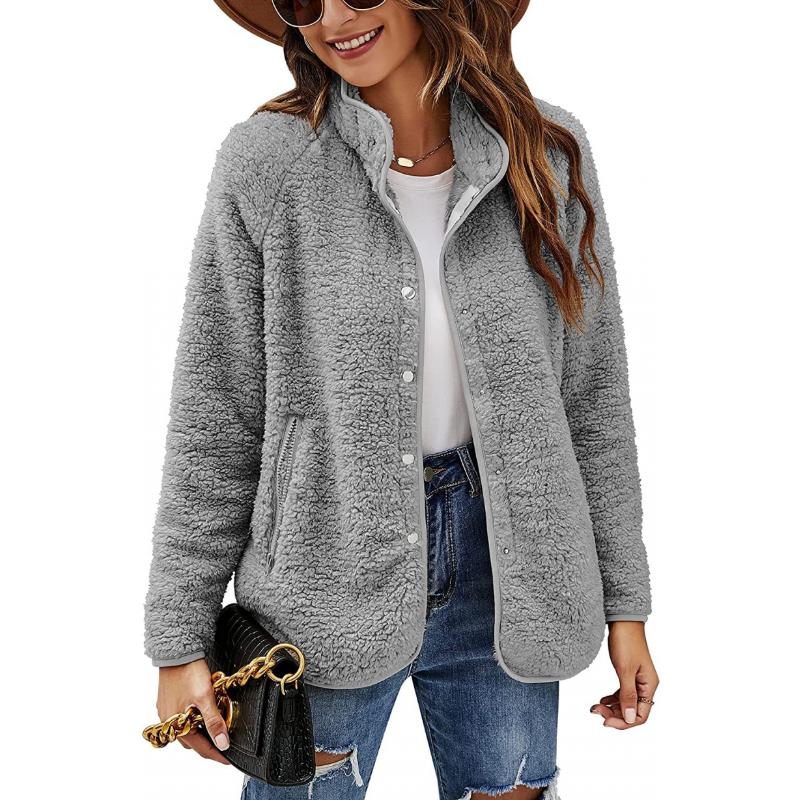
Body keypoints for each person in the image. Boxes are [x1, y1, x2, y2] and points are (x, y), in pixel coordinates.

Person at [144, 1, 659, 797]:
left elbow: (593, 403)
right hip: (322, 579)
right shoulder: (268, 165)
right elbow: (215, 418)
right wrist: (179, 642)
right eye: (303, 1)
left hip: (511, 577)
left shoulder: (545, 152)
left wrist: (627, 606)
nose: (333, 18)